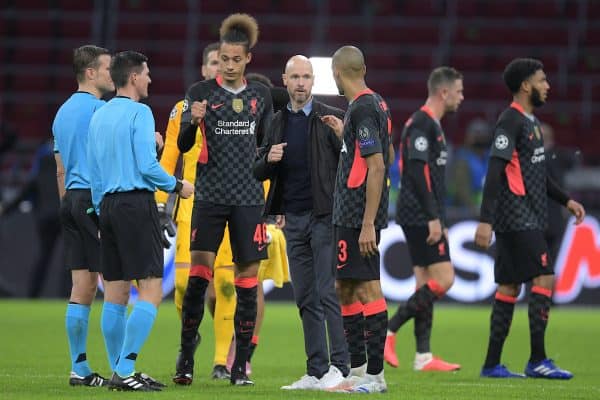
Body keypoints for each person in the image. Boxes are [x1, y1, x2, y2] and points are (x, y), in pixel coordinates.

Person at [176, 13, 273, 386]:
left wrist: (272, 164)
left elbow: (264, 148)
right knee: (199, 279)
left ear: (248, 58)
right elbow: (185, 147)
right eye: (225, 59)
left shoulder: (260, 96)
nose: (230, 65)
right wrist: (191, 123)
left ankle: (239, 366)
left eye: (237, 59)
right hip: (210, 197)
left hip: (248, 199)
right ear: (218, 57)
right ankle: (186, 358)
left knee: (247, 282)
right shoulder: (199, 93)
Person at [88, 50, 194, 391]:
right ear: (133, 77)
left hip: (107, 206)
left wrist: (100, 210)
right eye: (146, 73)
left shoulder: (99, 115)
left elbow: (94, 170)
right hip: (136, 204)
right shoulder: (141, 112)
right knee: (149, 290)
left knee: (116, 293)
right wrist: (179, 185)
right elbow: (149, 168)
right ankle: (126, 369)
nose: (149, 79)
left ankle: (119, 370)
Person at [475, 58, 585, 379]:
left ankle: (491, 364)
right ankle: (538, 359)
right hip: (516, 215)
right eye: (542, 79)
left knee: (509, 287)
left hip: (526, 215)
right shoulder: (510, 120)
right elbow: (495, 170)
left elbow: (536, 173)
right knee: (544, 278)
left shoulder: (531, 122)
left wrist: (566, 200)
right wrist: (485, 220)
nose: (547, 85)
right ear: (526, 86)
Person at [253, 55, 349, 390]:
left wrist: (342, 140)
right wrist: (268, 159)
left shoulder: (332, 118)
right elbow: (257, 169)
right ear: (284, 80)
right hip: (291, 218)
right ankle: (317, 370)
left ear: (313, 81)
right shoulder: (276, 121)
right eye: (295, 77)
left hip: (324, 217)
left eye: (306, 77)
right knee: (305, 296)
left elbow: (353, 164)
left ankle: (341, 368)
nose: (300, 83)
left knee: (326, 292)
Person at [155, 41, 237, 380]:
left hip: (232, 207)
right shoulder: (182, 109)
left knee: (226, 287)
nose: (220, 68)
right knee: (183, 287)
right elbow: (168, 159)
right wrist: (160, 203)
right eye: (215, 62)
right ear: (204, 70)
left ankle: (221, 361)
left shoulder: (240, 106)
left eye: (226, 62)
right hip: (191, 208)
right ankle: (193, 333)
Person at [321, 45, 392, 393]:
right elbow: (383, 152)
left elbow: (377, 165)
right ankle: (357, 372)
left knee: (366, 288)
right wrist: (344, 134)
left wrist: (368, 223)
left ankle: (376, 377)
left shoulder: (362, 108)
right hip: (348, 213)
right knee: (344, 287)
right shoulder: (373, 104)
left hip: (355, 215)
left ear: (337, 72)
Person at [386, 67, 464, 372]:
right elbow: (416, 173)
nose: (461, 97)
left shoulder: (432, 125)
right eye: (458, 91)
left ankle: (423, 356)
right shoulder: (421, 123)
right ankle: (389, 331)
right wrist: (433, 218)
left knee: (424, 282)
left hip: (422, 213)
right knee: (445, 279)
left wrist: (439, 217)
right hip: (419, 213)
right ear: (443, 92)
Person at [51, 45, 114, 387]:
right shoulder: (101, 111)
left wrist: (68, 207)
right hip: (95, 198)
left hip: (71, 200)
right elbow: (110, 160)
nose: (111, 74)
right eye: (106, 68)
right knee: (116, 284)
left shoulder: (61, 113)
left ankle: (79, 368)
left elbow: (60, 169)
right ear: (90, 72)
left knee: (83, 286)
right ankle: (123, 367)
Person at [450, 118, 492, 213]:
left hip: (489, 211)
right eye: (477, 134)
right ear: (468, 136)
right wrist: (474, 209)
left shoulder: (491, 158)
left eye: (483, 133)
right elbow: (462, 191)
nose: (480, 137)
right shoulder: (462, 159)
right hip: (466, 212)